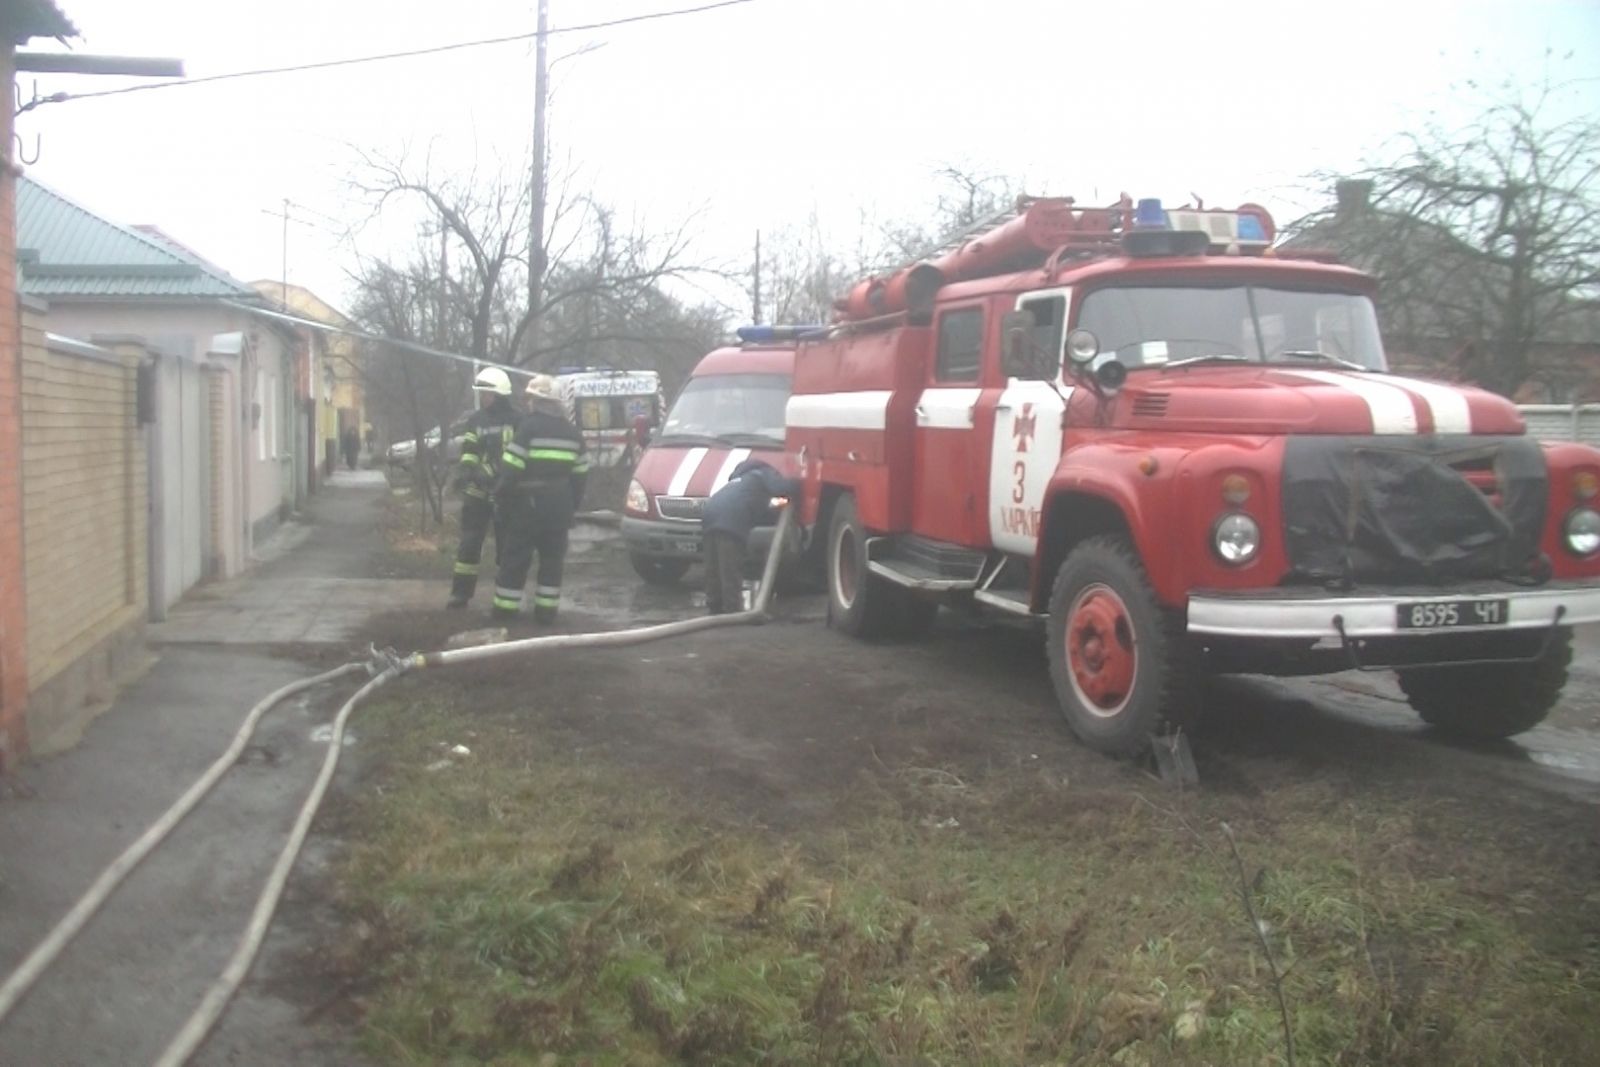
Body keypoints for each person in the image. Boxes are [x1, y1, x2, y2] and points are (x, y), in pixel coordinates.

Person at [491, 374, 588, 623]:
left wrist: (500, 495)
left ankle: (505, 611)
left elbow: (511, 468)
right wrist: (571, 507)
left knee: (516, 558)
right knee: (552, 561)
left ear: (538, 401)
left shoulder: (529, 427)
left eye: (531, 399)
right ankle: (546, 613)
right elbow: (580, 478)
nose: (528, 403)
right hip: (560, 507)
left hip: (528, 505)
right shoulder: (573, 434)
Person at [447, 367, 520, 609]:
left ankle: (505, 597)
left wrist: (503, 479)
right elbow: (469, 451)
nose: (484, 398)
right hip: (477, 492)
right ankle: (460, 594)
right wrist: (469, 471)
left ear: (499, 394)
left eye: (487, 394)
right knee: (469, 543)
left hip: (506, 493)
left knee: (507, 546)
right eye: (482, 394)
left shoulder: (518, 421)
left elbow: (518, 456)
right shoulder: (476, 421)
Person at [701, 458, 800, 614]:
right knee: (730, 569)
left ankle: (714, 608)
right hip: (730, 518)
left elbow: (759, 506)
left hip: (710, 512)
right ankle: (732, 612)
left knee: (713, 567)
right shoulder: (761, 472)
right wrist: (799, 481)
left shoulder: (738, 482)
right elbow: (782, 487)